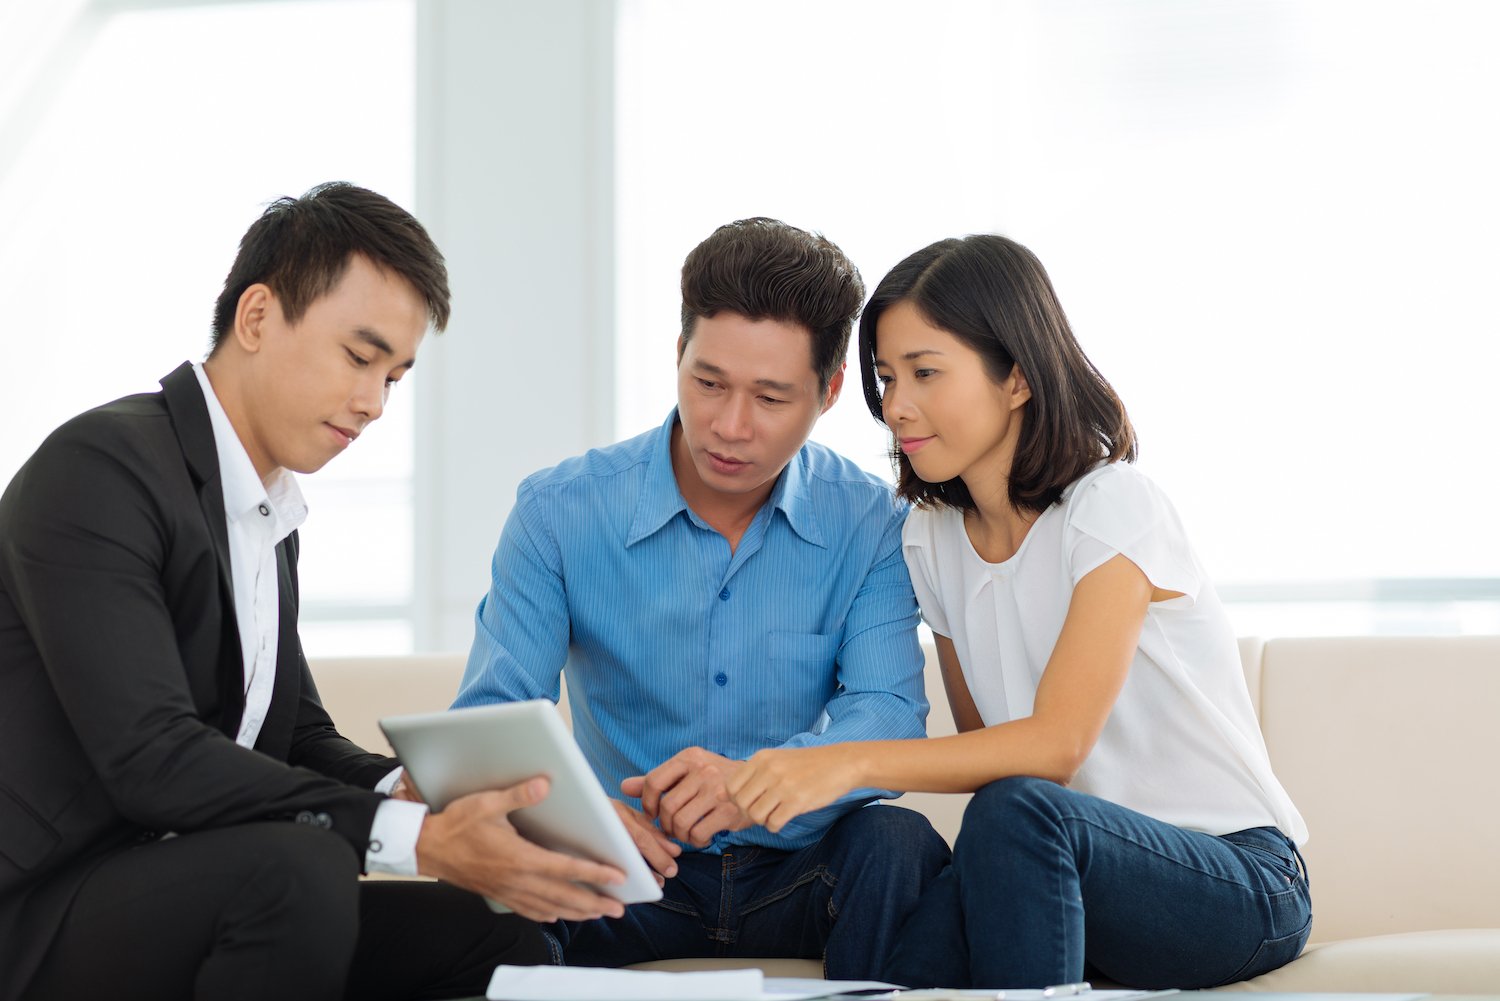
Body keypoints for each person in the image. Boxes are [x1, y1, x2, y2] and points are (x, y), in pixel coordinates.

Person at [0, 182, 630, 1001]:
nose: (372, 403)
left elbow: (295, 731)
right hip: (44, 910)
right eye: (359, 358)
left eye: (395, 377)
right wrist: (417, 837)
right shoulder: (101, 469)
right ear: (258, 317)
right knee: (299, 870)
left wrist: (409, 789)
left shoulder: (265, 511)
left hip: (180, 883)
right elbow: (152, 757)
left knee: (498, 937)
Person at [727, 234, 1313, 989]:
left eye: (925, 373)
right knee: (897, 975)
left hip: (1235, 878)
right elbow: (993, 750)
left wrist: (841, 760)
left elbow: (1054, 745)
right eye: (884, 377)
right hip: (1057, 862)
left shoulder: (1111, 507)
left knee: (1016, 809)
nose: (896, 407)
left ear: (1017, 379)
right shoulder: (931, 539)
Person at [452, 217, 950, 977]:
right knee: (505, 874)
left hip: (798, 873)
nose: (728, 425)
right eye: (707, 382)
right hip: (621, 874)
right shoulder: (560, 510)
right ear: (678, 355)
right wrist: (576, 817)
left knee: (899, 843)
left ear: (829, 391)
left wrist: (756, 787)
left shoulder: (872, 523)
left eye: (771, 397)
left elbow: (887, 716)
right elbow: (489, 721)